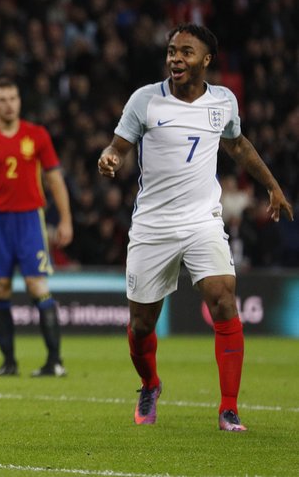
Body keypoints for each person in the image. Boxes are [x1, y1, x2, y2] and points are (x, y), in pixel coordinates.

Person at [97, 23, 293, 432]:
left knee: (224, 299)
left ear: (206, 60)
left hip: (202, 219)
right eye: (171, 50)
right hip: (153, 224)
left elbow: (237, 144)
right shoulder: (145, 100)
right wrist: (110, 158)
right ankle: (150, 384)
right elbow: (118, 145)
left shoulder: (223, 101)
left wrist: (272, 185)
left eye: (186, 52)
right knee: (141, 325)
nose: (175, 58)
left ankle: (228, 408)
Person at [0, 78, 73, 378]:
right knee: (0, 288)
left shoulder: (37, 136)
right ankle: (9, 362)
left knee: (37, 285)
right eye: (2, 99)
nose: (9, 104)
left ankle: (54, 362)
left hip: (29, 220)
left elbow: (54, 179)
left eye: (13, 98)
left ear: (19, 101)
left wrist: (65, 219)